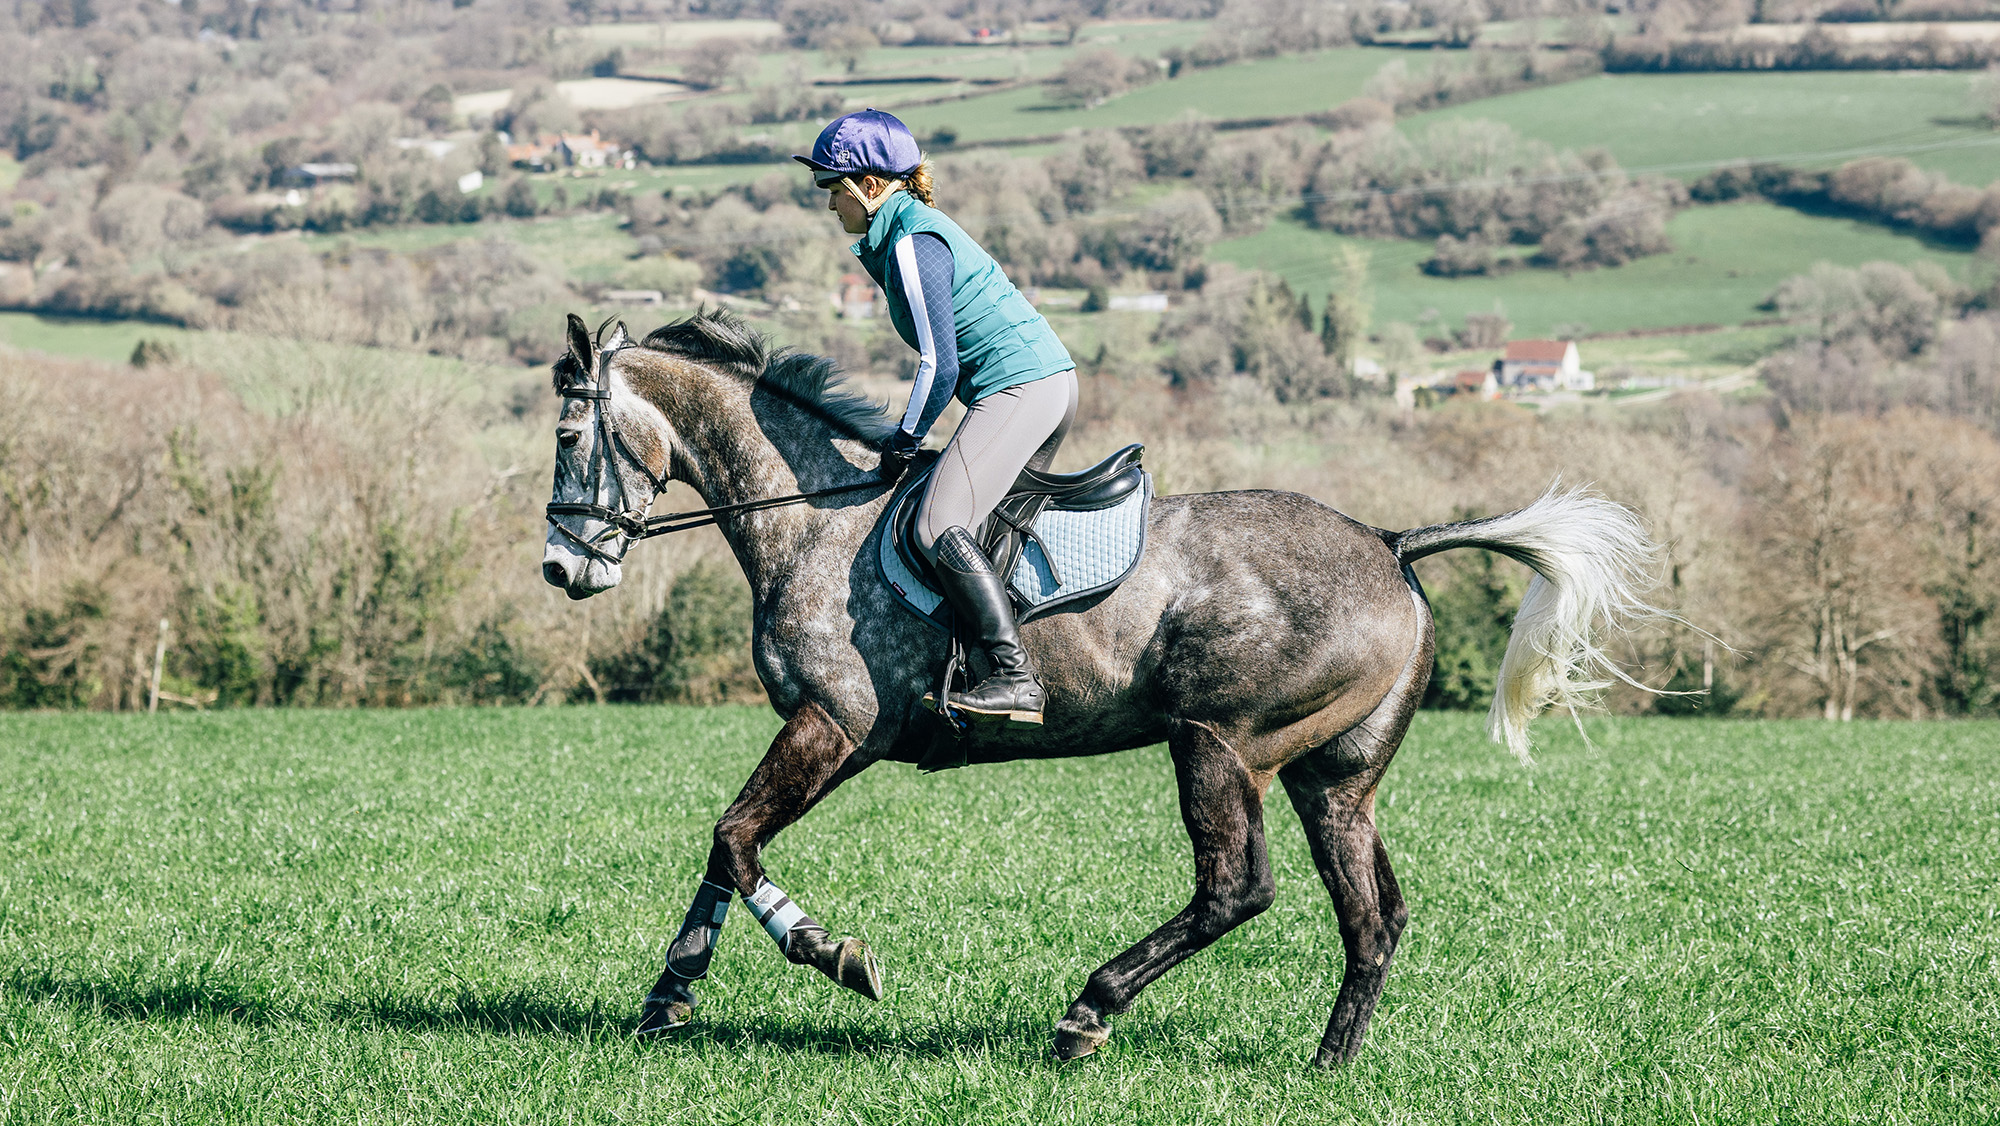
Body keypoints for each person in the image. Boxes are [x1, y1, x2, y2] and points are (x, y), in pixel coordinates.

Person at [796, 109, 1077, 727]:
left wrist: (904, 439)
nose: (828, 203)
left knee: (936, 522)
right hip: (1039, 382)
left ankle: (1015, 678)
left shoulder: (911, 240)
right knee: (972, 523)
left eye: (833, 188)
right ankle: (970, 665)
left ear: (871, 186)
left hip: (1022, 386)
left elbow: (939, 364)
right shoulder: (903, 230)